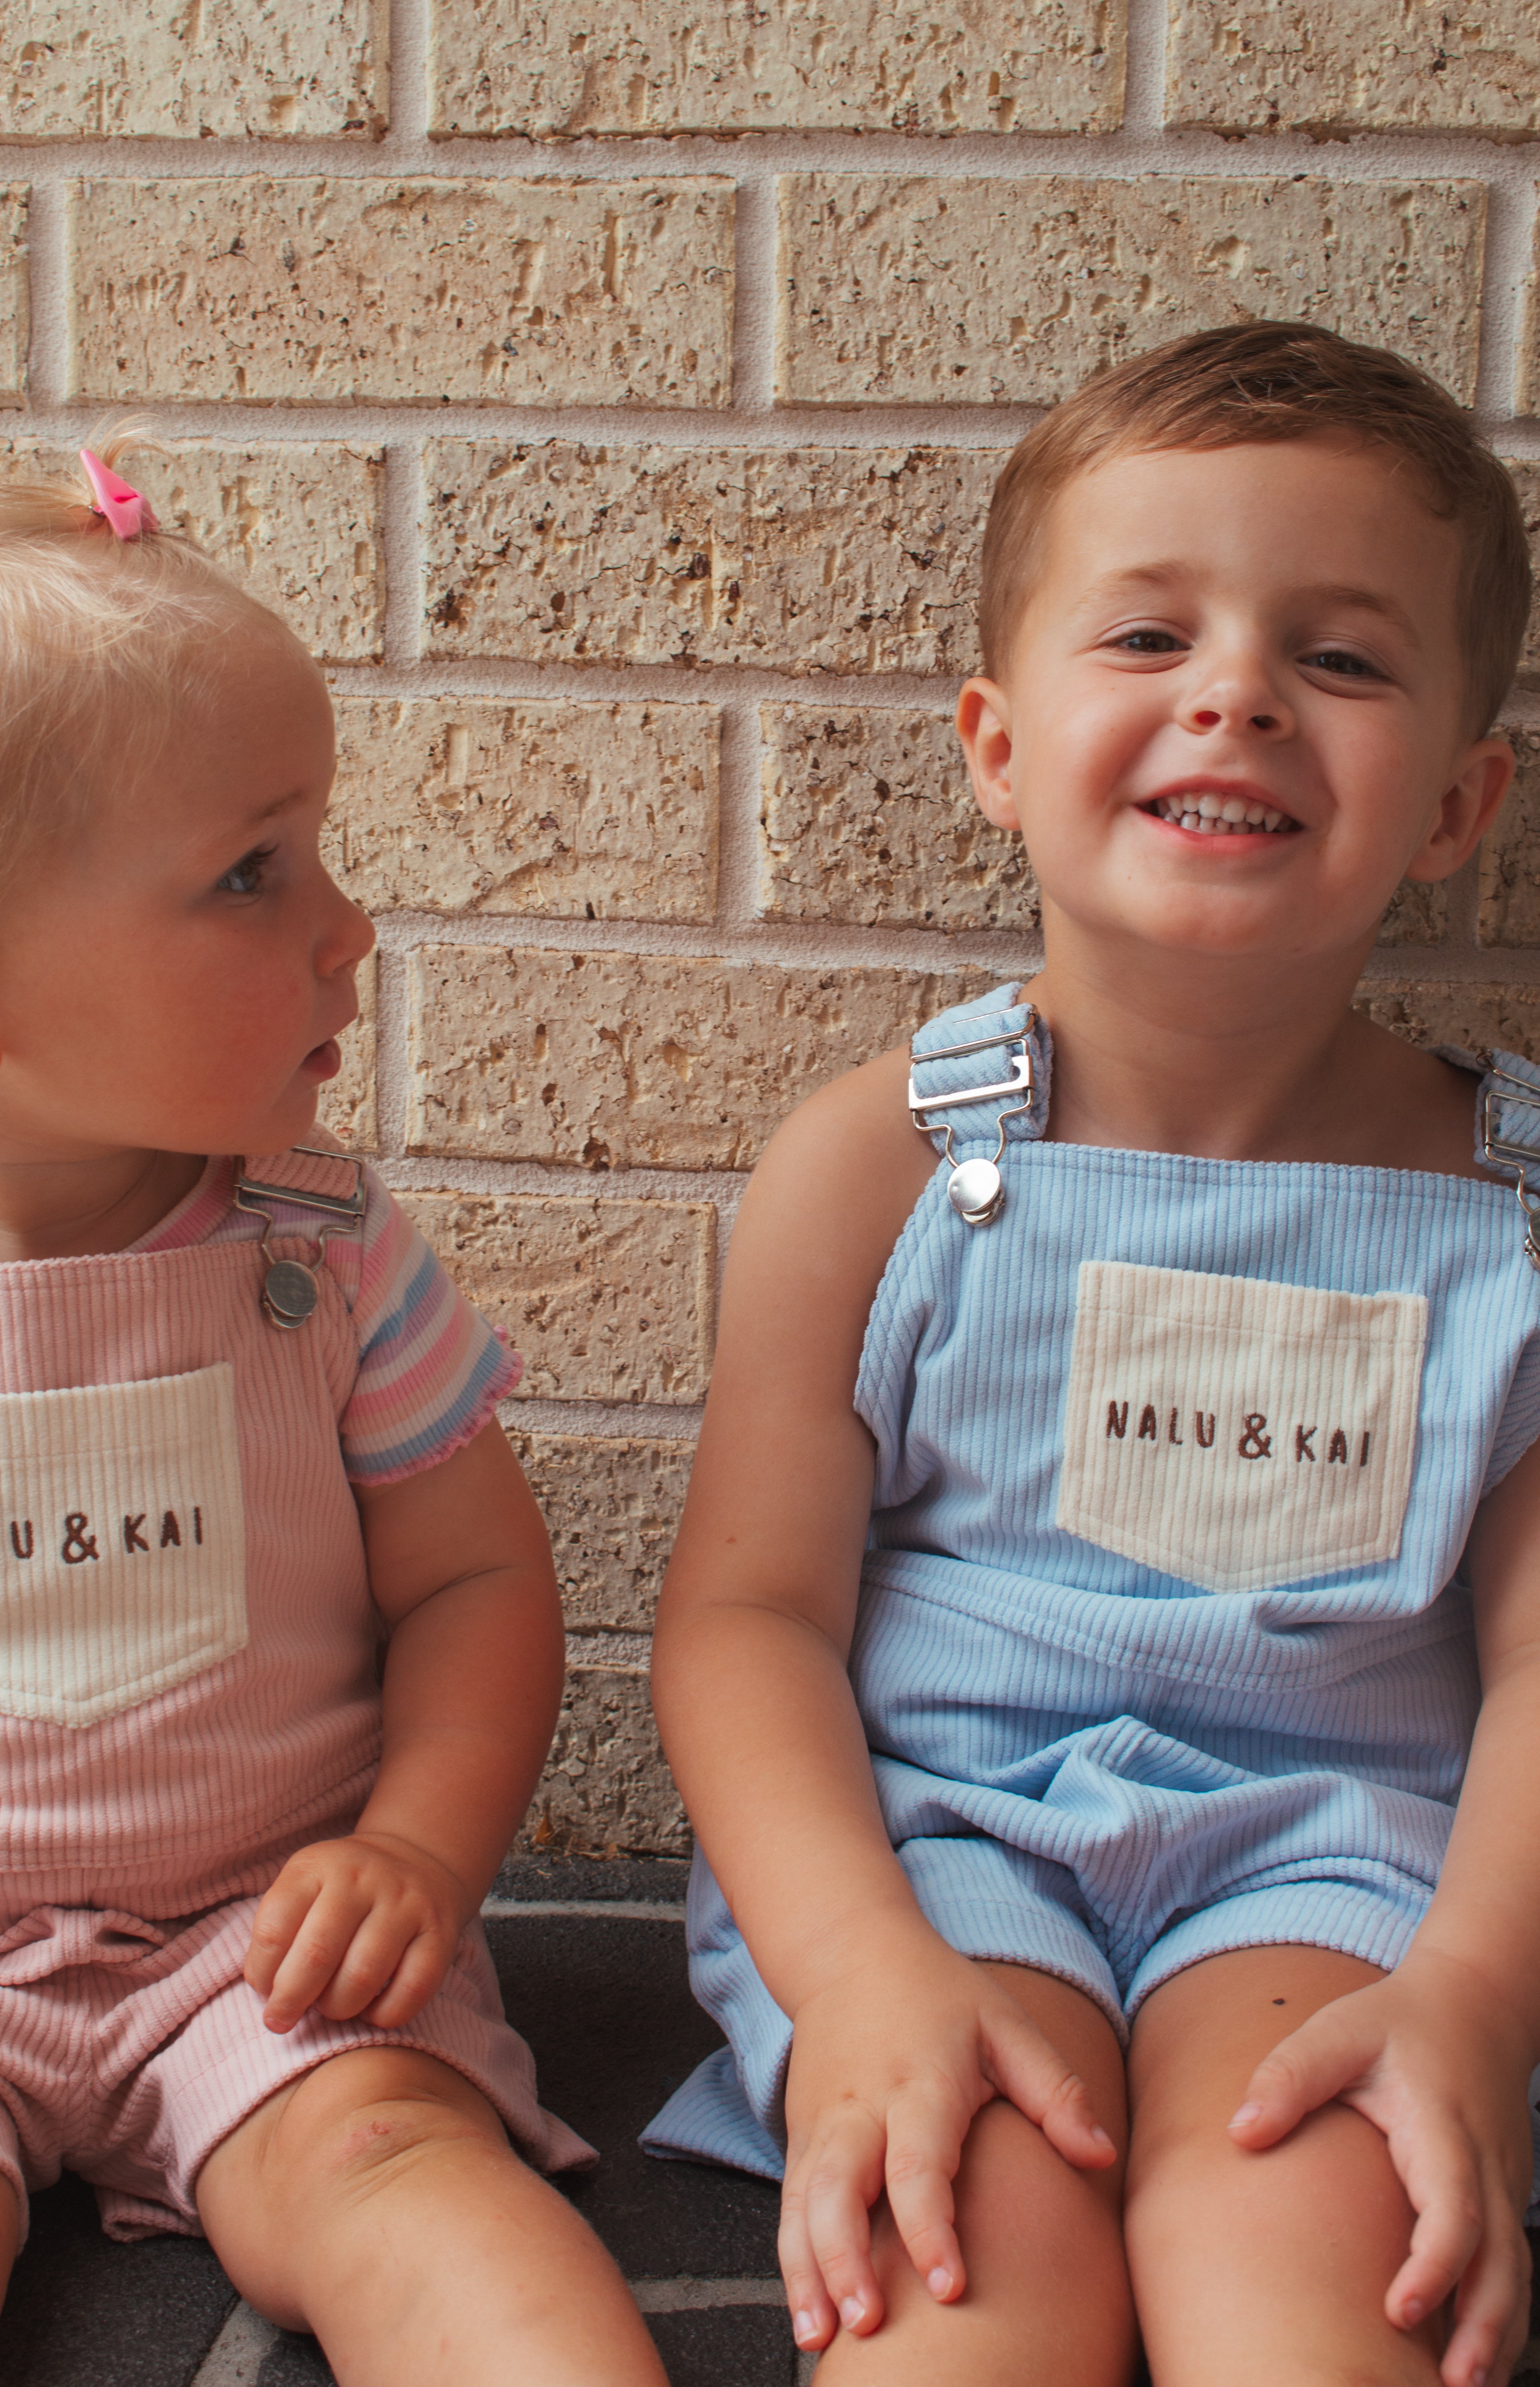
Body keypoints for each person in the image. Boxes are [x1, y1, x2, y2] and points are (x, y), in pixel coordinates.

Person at [643, 322, 1540, 2387]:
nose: (1235, 691)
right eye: (1147, 634)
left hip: (1339, 1857)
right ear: (994, 742)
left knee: (1309, 2271)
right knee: (968, 2276)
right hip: (936, 1845)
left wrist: (1478, 2005)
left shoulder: (1513, 1225)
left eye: (1344, 658)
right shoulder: (874, 1166)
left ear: (1457, 803)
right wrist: (861, 1968)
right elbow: (750, 1619)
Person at [0, 452, 667, 2387]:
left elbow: (472, 1583)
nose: (347, 928)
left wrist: (423, 1859)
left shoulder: (328, 1256)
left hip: (266, 1956)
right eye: (251, 873)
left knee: (425, 2202)